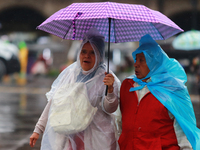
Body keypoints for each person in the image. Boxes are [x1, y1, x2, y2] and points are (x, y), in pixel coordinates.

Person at [29, 28, 121, 150]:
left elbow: (110, 109)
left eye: (92, 52)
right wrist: (38, 129)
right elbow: (54, 103)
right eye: (83, 51)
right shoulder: (71, 74)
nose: (87, 56)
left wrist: (110, 91)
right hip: (71, 139)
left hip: (98, 140)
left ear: (100, 55)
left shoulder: (107, 78)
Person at [118, 34, 200, 150]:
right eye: (136, 59)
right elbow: (119, 122)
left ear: (154, 62)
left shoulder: (172, 89)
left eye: (142, 60)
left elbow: (183, 132)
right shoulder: (128, 86)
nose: (136, 64)